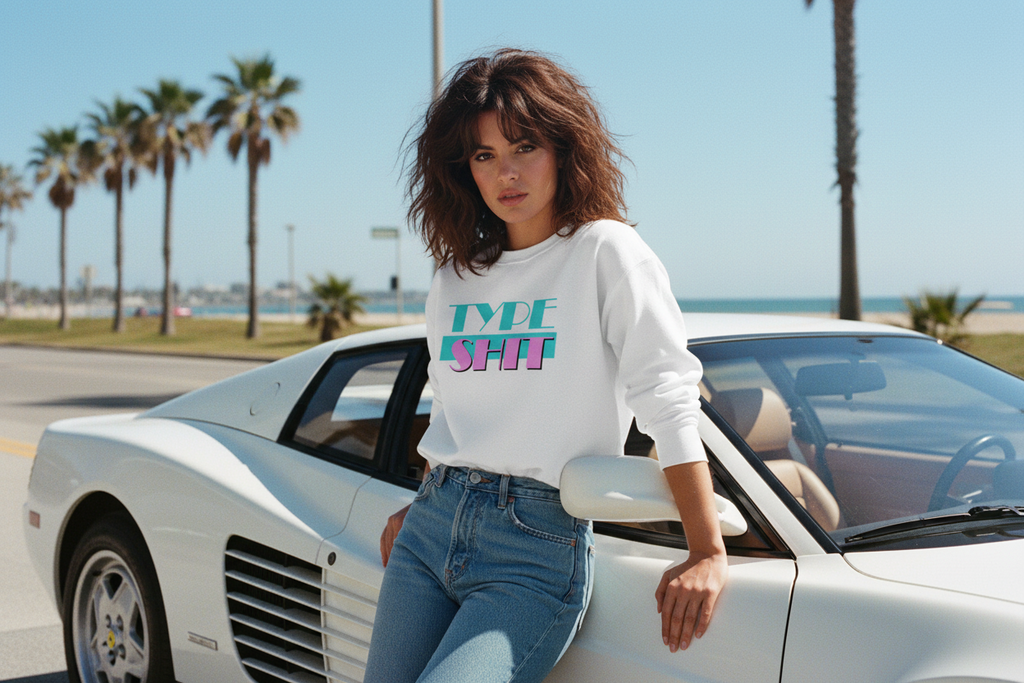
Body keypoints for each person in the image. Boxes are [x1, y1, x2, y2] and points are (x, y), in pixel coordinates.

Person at [364, 48, 727, 683]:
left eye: (524, 147)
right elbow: (450, 403)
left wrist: (706, 549)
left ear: (563, 149)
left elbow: (667, 396)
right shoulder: (454, 278)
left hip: (533, 546)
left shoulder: (604, 252)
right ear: (464, 171)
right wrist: (424, 497)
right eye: (484, 156)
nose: (506, 173)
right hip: (429, 529)